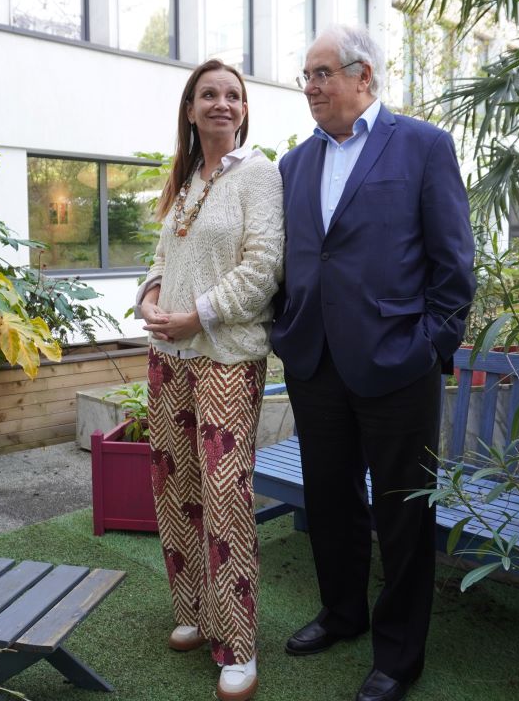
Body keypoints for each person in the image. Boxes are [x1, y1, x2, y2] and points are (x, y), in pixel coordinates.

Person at [271, 25, 475, 701]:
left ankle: (399, 655)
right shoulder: (294, 165)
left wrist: (430, 346)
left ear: (364, 77)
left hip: (398, 367)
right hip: (315, 365)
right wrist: (285, 330)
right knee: (329, 502)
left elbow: (453, 265)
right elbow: (293, 260)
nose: (310, 87)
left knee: (402, 516)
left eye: (322, 73)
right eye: (306, 75)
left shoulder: (422, 146)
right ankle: (342, 613)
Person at [137, 59, 284, 701]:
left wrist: (195, 315)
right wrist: (148, 297)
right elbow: (163, 257)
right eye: (208, 95)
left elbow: (263, 267)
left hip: (226, 354)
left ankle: (238, 645)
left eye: (232, 95)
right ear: (191, 110)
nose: (221, 103)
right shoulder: (185, 181)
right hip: (169, 357)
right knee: (174, 487)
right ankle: (196, 610)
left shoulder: (260, 175)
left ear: (243, 111)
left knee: (224, 494)